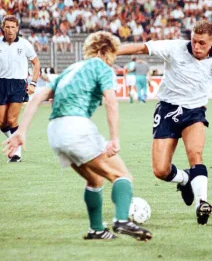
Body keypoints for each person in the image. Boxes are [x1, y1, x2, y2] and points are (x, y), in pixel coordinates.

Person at [2, 31, 152, 241]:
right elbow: (111, 102)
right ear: (106, 51)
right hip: (76, 127)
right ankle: (121, 220)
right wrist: (114, 138)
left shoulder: (71, 68)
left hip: (55, 131)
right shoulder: (102, 67)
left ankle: (97, 229)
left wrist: (21, 131)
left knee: (94, 179)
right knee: (122, 176)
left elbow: (39, 96)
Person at [117, 20, 212, 225]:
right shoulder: (175, 48)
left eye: (202, 43)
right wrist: (114, 52)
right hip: (167, 109)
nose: (196, 46)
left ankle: (202, 203)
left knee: (195, 154)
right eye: (194, 41)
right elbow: (144, 47)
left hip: (195, 112)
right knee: (160, 170)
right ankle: (185, 180)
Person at [0, 15, 41, 162]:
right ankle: (14, 141)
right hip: (1, 84)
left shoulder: (25, 44)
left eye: (13, 27)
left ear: (17, 28)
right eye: (7, 27)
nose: (10, 30)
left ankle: (16, 153)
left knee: (11, 119)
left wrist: (33, 83)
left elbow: (36, 63)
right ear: (3, 28)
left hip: (18, 84)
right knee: (1, 122)